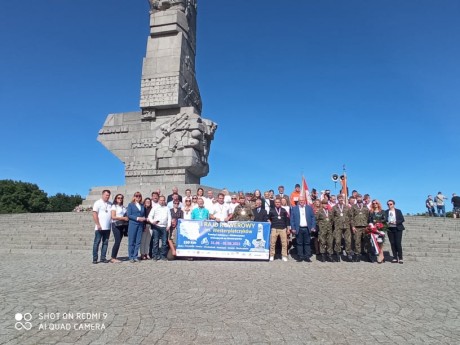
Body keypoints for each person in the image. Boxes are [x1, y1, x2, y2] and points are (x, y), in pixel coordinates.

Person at [290, 197, 316, 262]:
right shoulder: (294, 208)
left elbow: (313, 218)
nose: (301, 201)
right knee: (299, 243)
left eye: (302, 200)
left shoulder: (309, 208)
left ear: (304, 201)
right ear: (298, 201)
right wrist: (293, 228)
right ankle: (300, 256)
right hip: (299, 228)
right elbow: (292, 219)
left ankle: (307, 256)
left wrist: (313, 226)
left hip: (307, 228)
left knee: (307, 243)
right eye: (300, 200)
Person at [148, 195, 171, 261]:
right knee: (156, 241)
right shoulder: (155, 207)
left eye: (163, 200)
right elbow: (150, 216)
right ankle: (155, 255)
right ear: (158, 200)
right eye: (161, 200)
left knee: (164, 242)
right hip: (156, 226)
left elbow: (169, 217)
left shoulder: (167, 208)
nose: (162, 201)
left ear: (165, 201)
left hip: (164, 227)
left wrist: (168, 225)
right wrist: (153, 222)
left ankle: (163, 255)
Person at [92, 190, 112, 264]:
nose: (107, 196)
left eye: (108, 195)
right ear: (102, 194)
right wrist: (98, 224)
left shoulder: (110, 204)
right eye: (106, 195)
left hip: (108, 227)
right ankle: (95, 258)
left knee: (105, 243)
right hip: (99, 227)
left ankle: (103, 258)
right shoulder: (97, 203)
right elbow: (94, 214)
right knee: (97, 242)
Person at [331, 195, 352, 262]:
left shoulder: (347, 207)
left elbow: (350, 216)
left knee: (348, 240)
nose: (340, 199)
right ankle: (337, 254)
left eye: (341, 198)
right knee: (337, 240)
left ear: (343, 199)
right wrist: (335, 222)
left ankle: (348, 253)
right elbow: (332, 217)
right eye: (339, 198)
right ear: (337, 199)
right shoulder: (334, 208)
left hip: (346, 226)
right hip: (338, 226)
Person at [126, 192, 146, 263]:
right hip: (133, 224)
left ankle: (135, 256)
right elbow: (129, 215)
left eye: (139, 196)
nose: (138, 197)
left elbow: (144, 214)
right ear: (134, 197)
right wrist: (137, 218)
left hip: (140, 225)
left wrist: (143, 219)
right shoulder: (130, 205)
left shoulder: (142, 205)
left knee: (138, 241)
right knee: (132, 241)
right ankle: (131, 256)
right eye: (136, 196)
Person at [350, 194, 370, 262]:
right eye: (357, 197)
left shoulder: (365, 207)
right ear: (356, 198)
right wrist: (353, 226)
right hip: (357, 227)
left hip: (365, 226)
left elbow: (368, 216)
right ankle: (357, 255)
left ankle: (367, 255)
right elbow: (351, 217)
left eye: (360, 197)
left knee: (366, 241)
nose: (359, 199)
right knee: (357, 241)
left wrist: (368, 225)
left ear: (362, 198)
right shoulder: (353, 207)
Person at [110, 193, 128, 263]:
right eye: (118, 198)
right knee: (117, 241)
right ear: (116, 199)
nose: (120, 199)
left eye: (121, 198)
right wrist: (123, 218)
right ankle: (113, 257)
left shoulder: (123, 207)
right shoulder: (114, 206)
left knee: (119, 241)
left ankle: (114, 256)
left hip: (122, 225)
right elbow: (113, 216)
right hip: (116, 225)